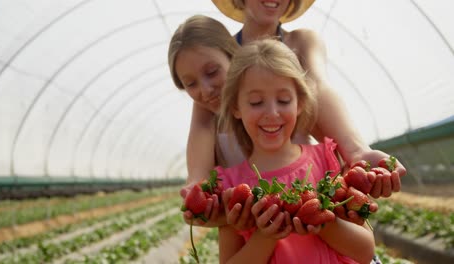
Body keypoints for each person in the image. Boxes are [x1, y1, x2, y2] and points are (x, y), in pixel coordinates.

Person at [168, 13, 401, 227]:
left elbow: (317, 87)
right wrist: (199, 189)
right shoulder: (226, 168)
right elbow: (217, 215)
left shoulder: (318, 160)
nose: (206, 89)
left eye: (283, 99)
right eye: (190, 84)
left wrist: (357, 152)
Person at [215, 39, 375, 264]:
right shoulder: (232, 188)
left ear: (299, 103)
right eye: (256, 102)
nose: (272, 113)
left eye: (283, 100)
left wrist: (324, 222)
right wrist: (265, 236)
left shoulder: (326, 160)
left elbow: (366, 251)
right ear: (235, 108)